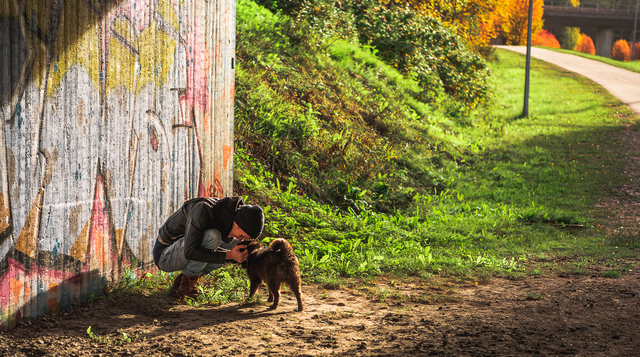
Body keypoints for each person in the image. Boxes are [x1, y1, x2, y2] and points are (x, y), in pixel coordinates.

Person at [153, 196, 265, 299]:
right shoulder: (203, 210)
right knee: (213, 237)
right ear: (237, 223)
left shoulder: (226, 216)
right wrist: (228, 255)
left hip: (182, 251)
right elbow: (190, 252)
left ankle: (185, 281)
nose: (240, 238)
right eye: (241, 235)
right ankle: (187, 287)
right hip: (164, 255)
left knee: (235, 246)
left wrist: (233, 254)